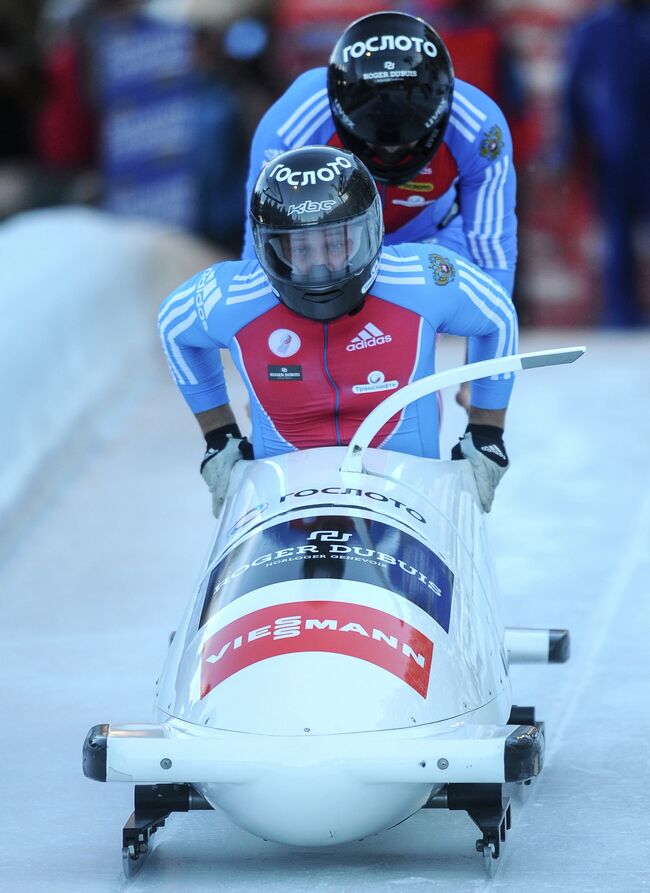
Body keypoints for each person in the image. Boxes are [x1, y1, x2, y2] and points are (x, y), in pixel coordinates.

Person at [158, 145, 517, 518]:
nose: (319, 266)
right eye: (299, 247)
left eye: (335, 243)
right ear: (270, 248)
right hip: (282, 501)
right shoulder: (233, 298)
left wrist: (486, 434)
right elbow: (173, 328)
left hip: (411, 495)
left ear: (370, 231)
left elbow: (498, 318)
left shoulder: (422, 279)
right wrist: (219, 435)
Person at [242, 10, 517, 300]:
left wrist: (494, 337)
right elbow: (261, 248)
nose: (390, 151)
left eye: (409, 139)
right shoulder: (291, 124)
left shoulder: (479, 129)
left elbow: (491, 253)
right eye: (373, 140)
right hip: (336, 252)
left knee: (425, 306)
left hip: (431, 241)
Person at [561, 0, 650, 327]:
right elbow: (573, 91)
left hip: (630, 143)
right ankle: (621, 313)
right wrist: (568, 147)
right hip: (613, 150)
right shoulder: (594, 28)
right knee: (616, 236)